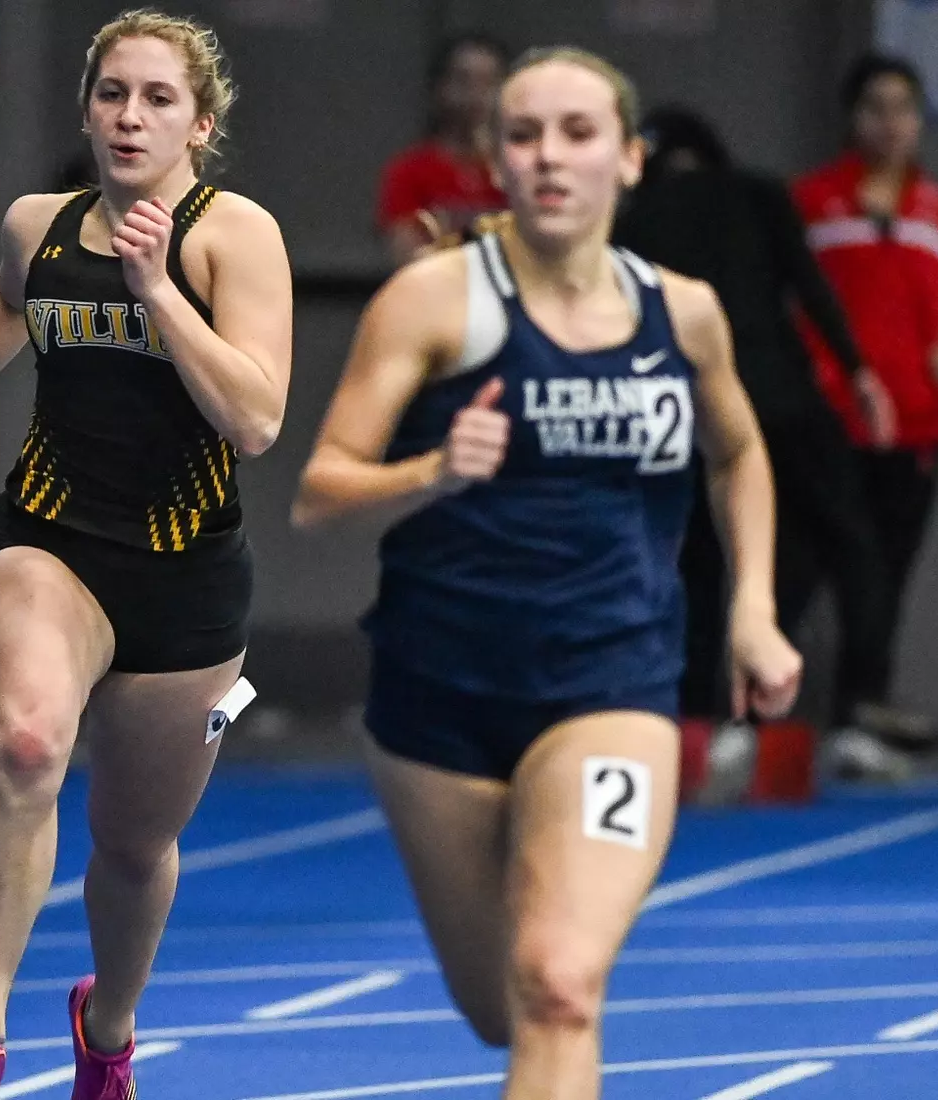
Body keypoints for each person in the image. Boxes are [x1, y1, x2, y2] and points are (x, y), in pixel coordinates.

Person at [292, 48, 801, 1098]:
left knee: (560, 979)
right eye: (524, 136)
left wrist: (752, 606)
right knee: (499, 1006)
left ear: (631, 159)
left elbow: (740, 451)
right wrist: (436, 469)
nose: (550, 158)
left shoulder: (683, 312)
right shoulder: (435, 301)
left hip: (611, 680)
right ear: (497, 160)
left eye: (577, 134)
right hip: (439, 699)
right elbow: (319, 490)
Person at [0, 11, 292, 1097]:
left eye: (157, 98)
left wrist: (160, 290)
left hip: (186, 572)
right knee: (24, 743)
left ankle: (106, 1026)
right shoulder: (38, 224)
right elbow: (3, 306)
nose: (129, 116)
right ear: (86, 108)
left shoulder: (231, 235)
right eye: (113, 94)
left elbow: (255, 421)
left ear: (200, 122)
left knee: (130, 841)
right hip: (47, 539)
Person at [611, 105, 903, 792]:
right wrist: (858, 372)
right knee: (855, 544)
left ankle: (704, 726)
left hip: (691, 414)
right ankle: (859, 709)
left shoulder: (637, 218)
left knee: (704, 568)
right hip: (785, 401)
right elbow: (810, 285)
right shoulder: (760, 193)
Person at [792, 53, 938, 767]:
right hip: (830, 420)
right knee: (805, 570)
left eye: (903, 109)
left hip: (918, 424)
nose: (889, 123)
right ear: (851, 117)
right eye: (875, 107)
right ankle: (748, 721)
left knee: (888, 572)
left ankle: (860, 720)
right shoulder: (811, 201)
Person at [376, 32, 511, 264]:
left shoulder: (519, 167)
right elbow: (407, 257)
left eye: (489, 82)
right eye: (464, 81)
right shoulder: (409, 170)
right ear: (441, 87)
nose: (476, 95)